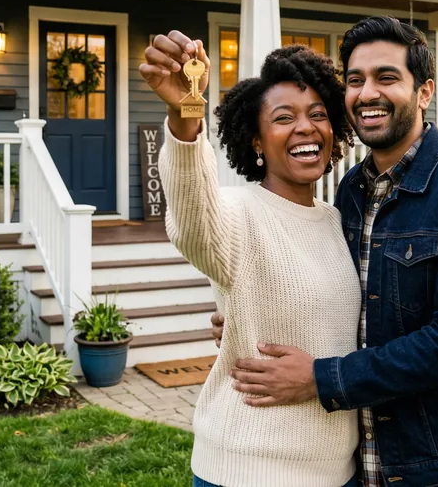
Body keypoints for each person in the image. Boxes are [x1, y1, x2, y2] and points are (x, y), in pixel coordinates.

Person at [216, 16, 438, 487]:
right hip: (369, 463)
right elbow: (343, 298)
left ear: (424, 92)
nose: (367, 93)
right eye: (355, 80)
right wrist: (254, 313)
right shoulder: (351, 194)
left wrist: (321, 379)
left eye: (387, 77)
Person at [141, 32, 361, 487]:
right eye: (284, 118)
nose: (305, 127)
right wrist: (185, 113)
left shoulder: (338, 220)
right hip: (249, 469)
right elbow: (193, 214)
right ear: (257, 142)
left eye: (318, 115)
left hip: (337, 469)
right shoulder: (238, 214)